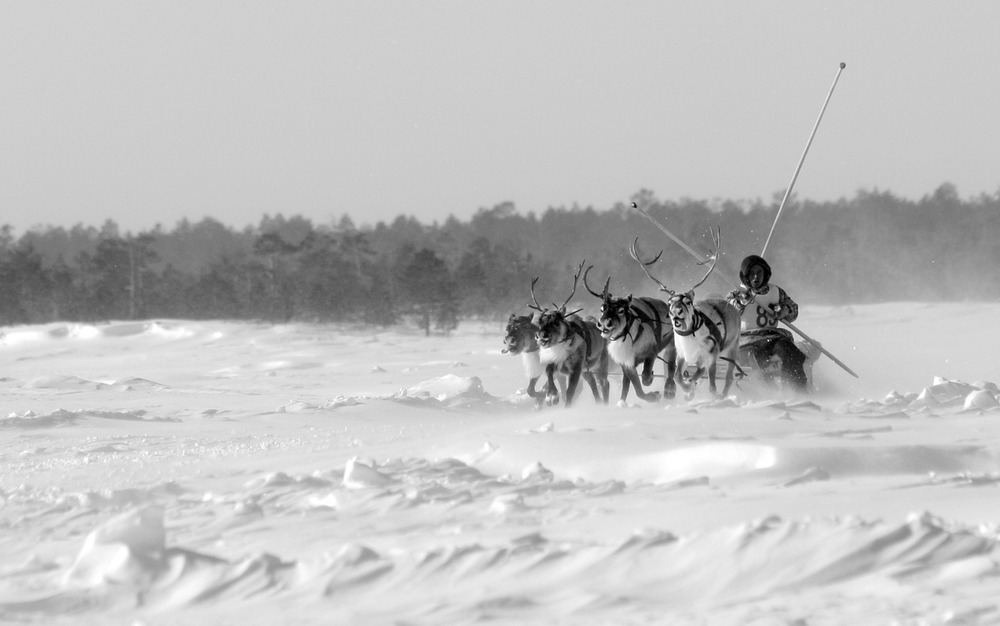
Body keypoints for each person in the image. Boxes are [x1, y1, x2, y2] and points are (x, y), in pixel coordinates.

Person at [727, 255, 809, 392]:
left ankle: (796, 392)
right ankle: (761, 393)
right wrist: (741, 302)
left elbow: (793, 310)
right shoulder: (736, 293)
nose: (755, 277)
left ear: (766, 274)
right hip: (746, 340)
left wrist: (784, 311)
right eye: (751, 273)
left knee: (790, 353)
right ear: (745, 275)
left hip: (773, 337)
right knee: (750, 361)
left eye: (759, 273)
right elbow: (728, 314)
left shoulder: (776, 292)